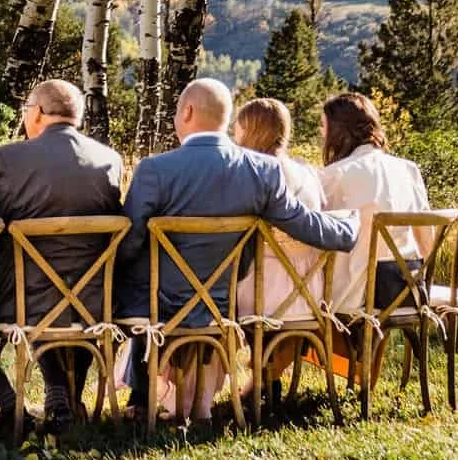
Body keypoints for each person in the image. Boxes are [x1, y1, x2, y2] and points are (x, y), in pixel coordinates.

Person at [118, 79, 357, 421]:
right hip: (224, 303)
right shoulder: (262, 170)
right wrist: (349, 228)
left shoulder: (154, 169)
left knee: (132, 284)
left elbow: (129, 242)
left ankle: (141, 396)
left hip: (160, 304)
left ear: (187, 112)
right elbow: (303, 223)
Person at [0, 79, 124, 427]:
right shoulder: (109, 160)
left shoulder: (6, 159)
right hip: (95, 300)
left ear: (38, 113)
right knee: (67, 283)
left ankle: (12, 399)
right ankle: (66, 395)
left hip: (24, 299)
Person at [231, 97, 329, 406]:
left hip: (262, 294)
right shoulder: (308, 172)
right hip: (309, 292)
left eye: (237, 127)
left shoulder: (251, 173)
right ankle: (263, 380)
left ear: (248, 130)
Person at [319, 92, 431, 307]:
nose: (322, 133)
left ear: (337, 131)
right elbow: (427, 242)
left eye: (324, 126)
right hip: (406, 290)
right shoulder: (408, 170)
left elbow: (316, 238)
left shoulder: (334, 175)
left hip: (352, 296)